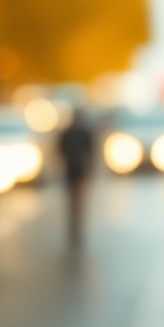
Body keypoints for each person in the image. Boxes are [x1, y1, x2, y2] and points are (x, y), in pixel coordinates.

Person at [57, 107, 95, 251]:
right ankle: (76, 225)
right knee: (78, 198)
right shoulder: (84, 132)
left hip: (70, 168)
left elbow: (60, 150)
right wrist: (90, 168)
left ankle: (73, 225)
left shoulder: (66, 132)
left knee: (72, 199)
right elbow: (91, 151)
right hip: (79, 167)